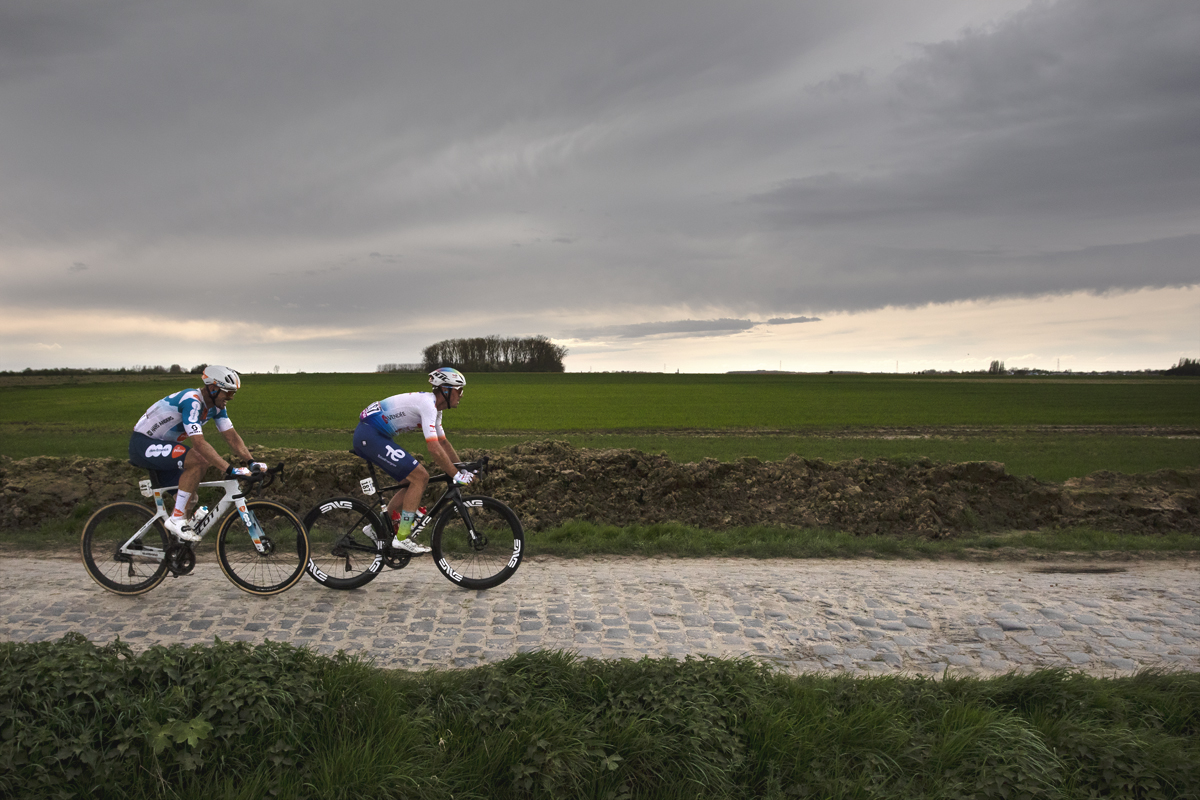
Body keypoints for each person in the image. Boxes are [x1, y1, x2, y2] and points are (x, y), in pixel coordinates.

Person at [128, 365, 267, 542]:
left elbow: (232, 437)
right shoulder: (192, 400)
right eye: (229, 393)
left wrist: (251, 462)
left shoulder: (216, 407)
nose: (230, 399)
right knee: (199, 460)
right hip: (143, 444)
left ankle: (175, 547)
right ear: (214, 389)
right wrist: (230, 470)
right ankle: (177, 518)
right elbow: (199, 444)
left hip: (163, 446)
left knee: (190, 498)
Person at [352, 367, 474, 554]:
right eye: (460, 390)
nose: (462, 395)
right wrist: (456, 475)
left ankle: (376, 527)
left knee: (409, 481)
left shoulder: (434, 408)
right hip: (369, 434)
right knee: (419, 477)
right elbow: (433, 449)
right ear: (447, 390)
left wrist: (462, 468)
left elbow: (443, 442)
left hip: (375, 435)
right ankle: (402, 537)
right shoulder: (427, 405)